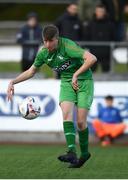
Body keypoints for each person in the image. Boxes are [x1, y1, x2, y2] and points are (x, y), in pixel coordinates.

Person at [7, 24, 97, 168]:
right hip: (67, 82)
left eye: (51, 41)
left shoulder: (68, 46)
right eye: (45, 41)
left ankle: (85, 154)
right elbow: (31, 71)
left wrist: (76, 74)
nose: (48, 44)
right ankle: (72, 152)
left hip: (84, 81)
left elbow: (92, 58)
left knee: (80, 122)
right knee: (66, 114)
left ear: (57, 39)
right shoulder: (44, 53)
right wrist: (13, 81)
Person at [83, 4, 116, 72]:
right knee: (90, 74)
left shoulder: (110, 24)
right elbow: (86, 37)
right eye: (99, 11)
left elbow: (114, 37)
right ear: (96, 12)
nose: (100, 13)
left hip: (106, 54)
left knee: (107, 74)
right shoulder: (90, 24)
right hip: (93, 53)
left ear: (104, 12)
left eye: (102, 11)